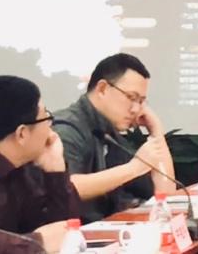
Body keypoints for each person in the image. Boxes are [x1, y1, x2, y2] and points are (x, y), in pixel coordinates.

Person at [0, 75, 81, 253]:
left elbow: (62, 232)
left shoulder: (22, 163)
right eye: (46, 117)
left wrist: (55, 172)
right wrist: (37, 242)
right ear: (22, 133)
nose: (50, 126)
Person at [53, 53, 177, 221]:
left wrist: (156, 131)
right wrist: (134, 168)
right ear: (102, 88)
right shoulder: (66, 129)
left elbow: (165, 195)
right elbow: (67, 188)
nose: (136, 109)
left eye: (141, 101)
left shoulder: (110, 133)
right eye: (131, 97)